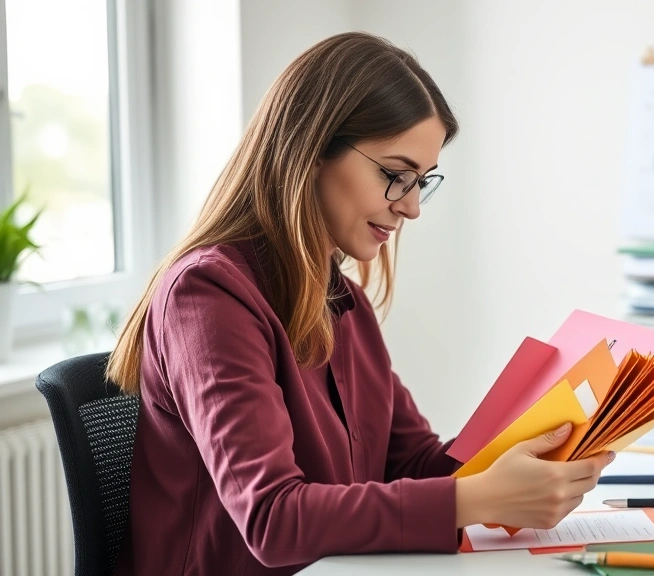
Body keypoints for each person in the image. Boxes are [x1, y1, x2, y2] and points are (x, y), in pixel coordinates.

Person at [106, 32, 613, 575]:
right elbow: (272, 519)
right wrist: (478, 497)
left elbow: (414, 462)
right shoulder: (207, 296)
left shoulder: (341, 301)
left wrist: (533, 443)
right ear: (312, 150)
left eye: (422, 182)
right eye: (395, 176)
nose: (413, 208)